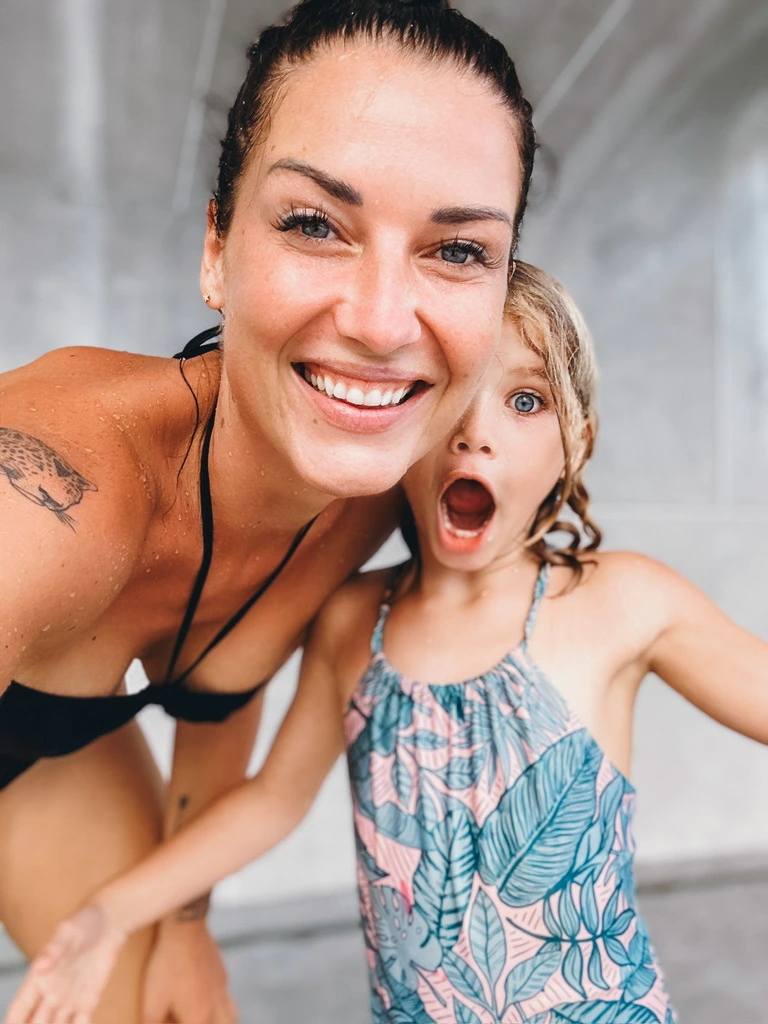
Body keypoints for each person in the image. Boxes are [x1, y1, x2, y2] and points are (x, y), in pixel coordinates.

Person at [18, 262, 768, 1024]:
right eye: (455, 394)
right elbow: (272, 802)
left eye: (525, 400)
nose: (478, 434)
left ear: (576, 437)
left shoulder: (621, 600)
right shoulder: (355, 620)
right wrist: (109, 914)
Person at [0, 1, 536, 1020]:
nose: (381, 323)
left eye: (457, 250)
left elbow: (221, 685)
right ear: (217, 250)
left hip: (43, 760)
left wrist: (185, 926)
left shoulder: (379, 494)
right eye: (313, 224)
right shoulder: (51, 495)